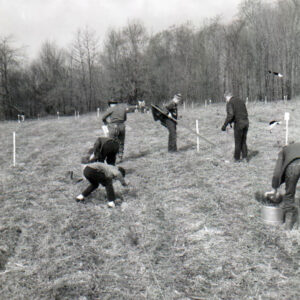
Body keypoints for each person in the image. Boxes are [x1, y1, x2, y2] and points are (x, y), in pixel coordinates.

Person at [265, 142, 300, 230]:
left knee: (289, 195)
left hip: (294, 165)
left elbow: (277, 173)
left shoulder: (283, 151)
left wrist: (274, 188)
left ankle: (288, 227)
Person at [221, 91, 249, 162]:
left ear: (227, 97)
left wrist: (224, 125)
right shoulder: (240, 100)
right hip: (246, 122)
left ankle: (236, 159)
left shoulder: (230, 103)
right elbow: (242, 112)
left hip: (239, 123)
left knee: (238, 141)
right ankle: (245, 158)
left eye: (225, 98)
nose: (226, 100)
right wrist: (231, 122)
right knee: (243, 141)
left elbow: (230, 115)